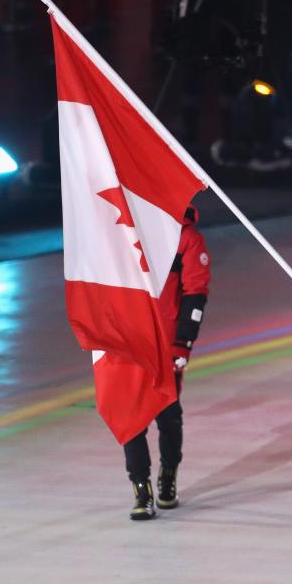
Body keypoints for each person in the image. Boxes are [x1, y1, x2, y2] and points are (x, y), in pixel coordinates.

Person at [125, 204, 211, 520]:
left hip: (165, 345)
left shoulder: (187, 238)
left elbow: (195, 294)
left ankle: (168, 474)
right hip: (130, 342)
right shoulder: (126, 230)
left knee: (168, 414)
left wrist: (182, 344)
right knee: (130, 417)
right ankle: (140, 488)